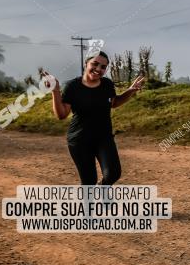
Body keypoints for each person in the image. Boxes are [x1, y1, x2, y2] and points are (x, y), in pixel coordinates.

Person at [49, 52, 145, 185]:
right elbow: (62, 115)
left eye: (103, 67)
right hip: (80, 140)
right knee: (89, 181)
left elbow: (114, 103)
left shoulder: (107, 84)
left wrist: (131, 90)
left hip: (104, 138)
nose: (99, 69)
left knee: (113, 173)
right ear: (86, 64)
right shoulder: (73, 86)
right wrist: (55, 91)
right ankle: (89, 206)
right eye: (95, 64)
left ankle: (102, 189)